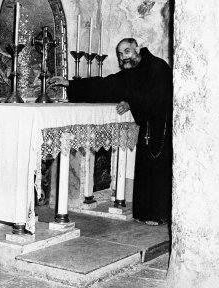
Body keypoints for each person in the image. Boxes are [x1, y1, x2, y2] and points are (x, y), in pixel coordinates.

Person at [49, 38, 172, 225]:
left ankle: (159, 215)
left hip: (161, 129)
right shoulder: (133, 72)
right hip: (147, 128)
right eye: (120, 54)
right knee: (146, 170)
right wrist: (70, 84)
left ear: (137, 49)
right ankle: (147, 214)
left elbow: (159, 97)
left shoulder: (157, 67)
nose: (124, 57)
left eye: (127, 51)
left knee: (157, 171)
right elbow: (107, 84)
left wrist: (132, 102)